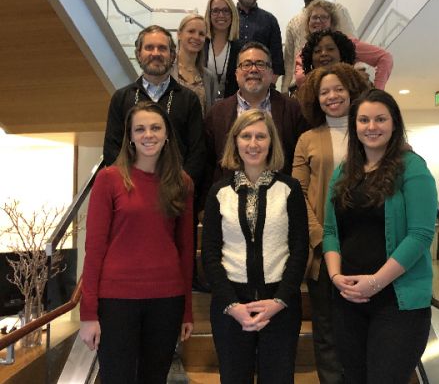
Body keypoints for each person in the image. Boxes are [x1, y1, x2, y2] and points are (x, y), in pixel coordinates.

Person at [323, 89, 437, 383]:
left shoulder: (413, 168)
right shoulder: (343, 172)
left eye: (380, 119)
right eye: (363, 120)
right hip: (349, 299)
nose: (371, 127)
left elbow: (420, 235)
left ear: (395, 124)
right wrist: (336, 278)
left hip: (398, 303)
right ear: (354, 125)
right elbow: (332, 231)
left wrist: (375, 283)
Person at [80, 101, 194, 384]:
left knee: (154, 379)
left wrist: (187, 310)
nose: (148, 134)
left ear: (167, 134)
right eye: (140, 129)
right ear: (129, 136)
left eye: (156, 128)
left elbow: (186, 251)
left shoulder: (182, 182)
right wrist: (88, 314)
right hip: (117, 301)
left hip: (167, 300)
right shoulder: (109, 180)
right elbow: (94, 251)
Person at [202, 109, 309, 383]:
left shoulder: (290, 188)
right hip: (231, 306)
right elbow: (211, 254)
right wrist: (231, 304)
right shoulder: (218, 192)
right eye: (246, 136)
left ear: (271, 142)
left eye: (261, 136)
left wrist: (279, 301)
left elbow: (299, 249)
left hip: (280, 305)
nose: (253, 143)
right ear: (235, 142)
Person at [292, 63, 369, 383]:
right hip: (323, 250)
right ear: (315, 98)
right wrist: (319, 238)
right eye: (324, 92)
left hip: (366, 248)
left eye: (339, 89)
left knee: (362, 328)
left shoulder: (369, 131)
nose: (332, 96)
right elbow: (299, 195)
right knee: (326, 331)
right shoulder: (307, 139)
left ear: (352, 91)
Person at [103, 25, 205, 190]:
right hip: (131, 192)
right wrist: (128, 186)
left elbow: (197, 153)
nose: (156, 53)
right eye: (149, 48)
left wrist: (179, 187)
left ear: (172, 55)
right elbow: (112, 149)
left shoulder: (189, 99)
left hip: (175, 195)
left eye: (162, 48)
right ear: (138, 54)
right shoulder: (121, 98)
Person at [204, 41, 308, 189]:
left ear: (272, 73)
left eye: (260, 64)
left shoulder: (293, 109)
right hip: (229, 201)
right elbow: (208, 165)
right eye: (246, 64)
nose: (253, 69)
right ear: (236, 74)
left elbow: (301, 162)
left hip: (280, 199)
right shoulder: (217, 113)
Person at [282, 0, 355, 94]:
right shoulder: (292, 23)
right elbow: (289, 61)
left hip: (336, 80)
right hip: (302, 87)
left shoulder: (338, 11)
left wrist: (355, 74)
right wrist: (284, 90)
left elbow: (352, 44)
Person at [294, 0, 393, 89]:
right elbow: (301, 81)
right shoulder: (303, 52)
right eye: (314, 17)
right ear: (308, 22)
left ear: (332, 23)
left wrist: (378, 91)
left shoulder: (346, 43)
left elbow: (385, 58)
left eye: (324, 17)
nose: (318, 21)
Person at [234, 0, 285, 83]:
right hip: (229, 90)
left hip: (262, 88)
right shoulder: (227, 19)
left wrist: (266, 88)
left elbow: (277, 62)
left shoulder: (270, 20)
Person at [171, 14, 218, 116]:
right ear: (179, 34)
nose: (196, 37)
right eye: (191, 31)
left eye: (201, 34)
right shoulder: (166, 72)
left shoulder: (209, 77)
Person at [204, 0, 242, 98]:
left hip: (231, 107)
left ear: (232, 14)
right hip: (202, 106)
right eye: (216, 11)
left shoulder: (240, 48)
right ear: (209, 14)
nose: (221, 15)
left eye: (226, 11)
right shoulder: (201, 45)